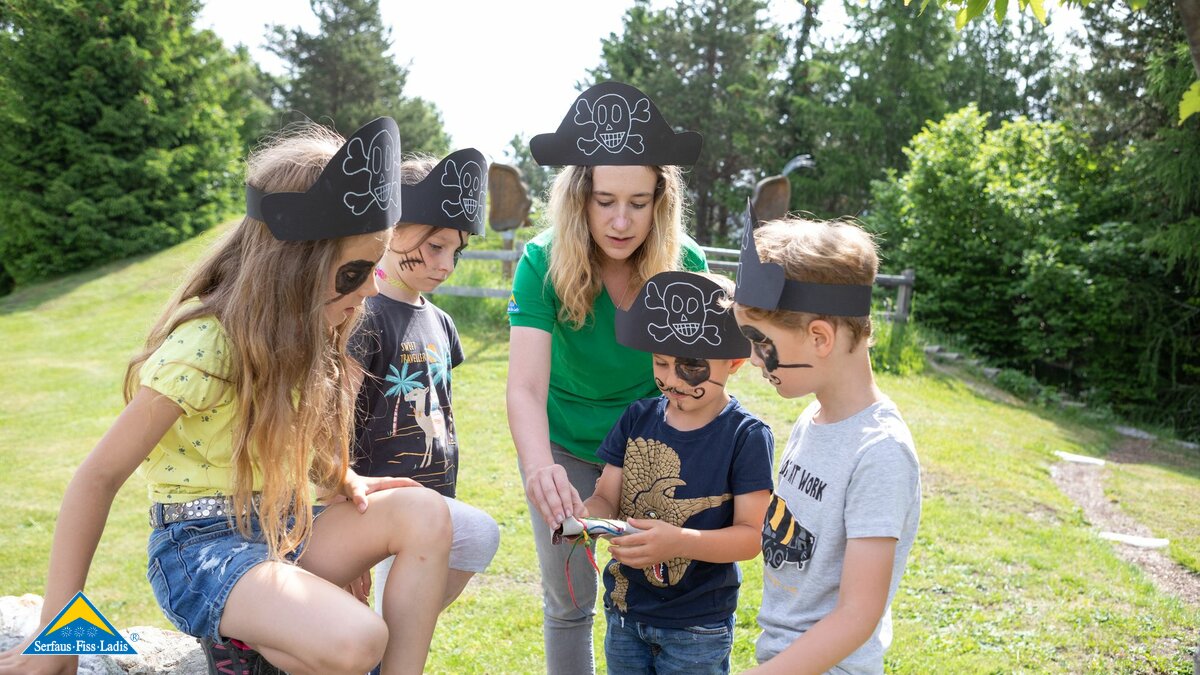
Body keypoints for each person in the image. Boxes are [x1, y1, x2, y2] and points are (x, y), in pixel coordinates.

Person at [0, 118, 452, 675]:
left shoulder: (312, 333)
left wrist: (341, 478)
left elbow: (289, 444)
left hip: (286, 526)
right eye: (356, 271)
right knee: (358, 640)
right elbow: (96, 479)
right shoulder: (204, 349)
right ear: (295, 267)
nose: (372, 288)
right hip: (202, 550)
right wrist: (58, 639)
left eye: (376, 267)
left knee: (425, 514)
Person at [506, 81, 707, 674]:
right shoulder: (541, 262)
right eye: (604, 200)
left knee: (653, 588)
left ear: (660, 201)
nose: (621, 221)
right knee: (569, 597)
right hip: (563, 442)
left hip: (649, 444)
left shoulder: (684, 263)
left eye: (639, 202)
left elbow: (697, 384)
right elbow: (524, 387)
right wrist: (540, 467)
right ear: (579, 199)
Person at [730, 211, 922, 675]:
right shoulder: (810, 418)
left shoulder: (880, 453)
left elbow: (857, 616)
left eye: (761, 341)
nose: (754, 359)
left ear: (819, 337)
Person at [579, 271, 774, 675]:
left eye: (691, 366)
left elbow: (750, 538)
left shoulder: (747, 436)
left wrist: (678, 542)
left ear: (734, 361)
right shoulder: (636, 418)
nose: (671, 379)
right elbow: (606, 497)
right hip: (624, 612)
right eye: (661, 362)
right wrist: (585, 514)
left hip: (698, 626)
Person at [348, 149, 500, 619]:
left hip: (435, 497)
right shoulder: (360, 315)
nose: (446, 263)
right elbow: (335, 414)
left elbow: (441, 406)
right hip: (373, 503)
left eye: (456, 251)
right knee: (480, 533)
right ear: (392, 231)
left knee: (403, 621)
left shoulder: (442, 322)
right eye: (435, 246)